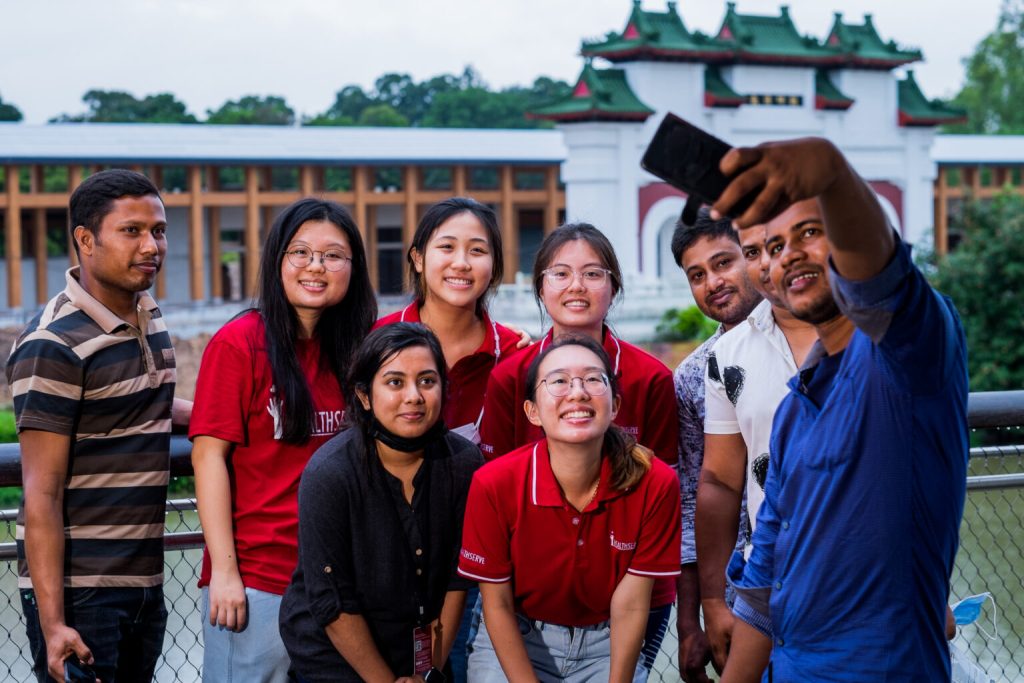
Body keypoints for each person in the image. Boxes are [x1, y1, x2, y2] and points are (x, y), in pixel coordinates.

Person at [712, 138, 968, 681]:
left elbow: (881, 281)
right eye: (773, 247)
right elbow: (765, 575)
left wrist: (830, 170)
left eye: (810, 232)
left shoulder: (909, 355)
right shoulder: (793, 410)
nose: (789, 255)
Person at [6, 169, 191, 682]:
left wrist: (220, 419)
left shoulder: (146, 313)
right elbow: (40, 494)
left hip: (145, 581)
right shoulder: (53, 345)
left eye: (158, 230)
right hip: (82, 595)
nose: (151, 245)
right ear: (85, 240)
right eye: (131, 231)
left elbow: (147, 399)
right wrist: (54, 624)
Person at [478, 223, 679, 674]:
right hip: (527, 600)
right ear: (540, 287)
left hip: (632, 590)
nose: (576, 286)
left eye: (593, 273)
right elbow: (495, 487)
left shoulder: (650, 378)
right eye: (560, 273)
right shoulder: (511, 376)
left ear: (613, 286)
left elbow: (668, 493)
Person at [190, 198, 376, 682]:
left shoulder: (359, 350)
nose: (316, 266)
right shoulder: (239, 344)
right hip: (258, 579)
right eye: (301, 252)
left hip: (337, 583)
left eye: (333, 255)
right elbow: (208, 458)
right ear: (277, 261)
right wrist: (226, 575)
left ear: (353, 268)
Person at [460, 336, 681, 682]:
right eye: (559, 381)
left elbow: (632, 601)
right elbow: (497, 604)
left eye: (594, 379)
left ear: (615, 405)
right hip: (518, 633)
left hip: (608, 640)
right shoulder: (494, 483)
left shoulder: (655, 482)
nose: (577, 392)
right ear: (532, 411)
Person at [279, 322, 483, 682]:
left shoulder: (463, 463)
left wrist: (428, 672)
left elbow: (457, 578)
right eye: (394, 382)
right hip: (337, 658)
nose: (414, 396)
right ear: (364, 396)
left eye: (427, 381)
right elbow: (333, 602)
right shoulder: (330, 474)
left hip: (421, 654)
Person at [373, 197, 523, 682]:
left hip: (492, 569)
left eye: (477, 250)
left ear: (494, 264)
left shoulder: (518, 355)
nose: (461, 263)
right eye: (446, 247)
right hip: (393, 566)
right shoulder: (377, 343)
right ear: (417, 258)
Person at [695, 217, 817, 673]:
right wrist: (713, 600)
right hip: (770, 579)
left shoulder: (870, 336)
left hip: (865, 571)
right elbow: (720, 482)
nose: (768, 262)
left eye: (777, 246)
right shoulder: (727, 356)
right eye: (751, 252)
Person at [669, 210, 762, 682]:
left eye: (723, 263)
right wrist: (694, 618)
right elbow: (694, 496)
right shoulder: (693, 374)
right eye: (697, 275)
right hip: (739, 584)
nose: (713, 282)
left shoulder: (811, 340)